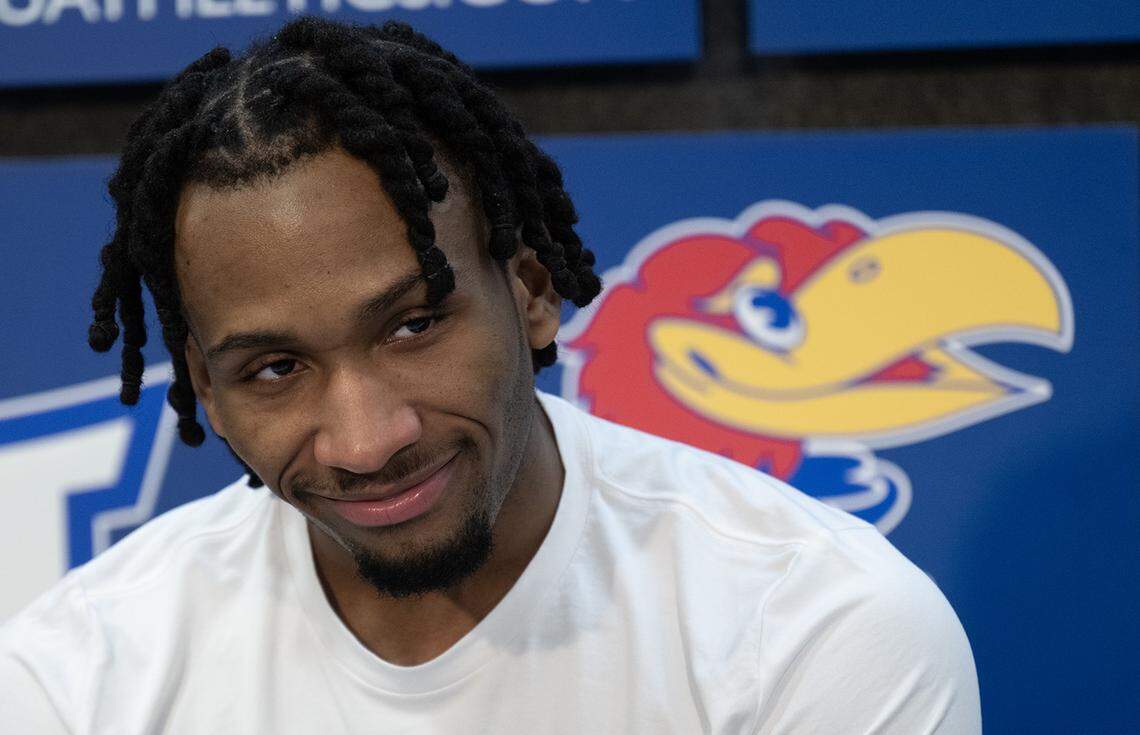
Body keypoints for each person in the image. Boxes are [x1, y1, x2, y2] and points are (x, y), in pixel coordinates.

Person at [0, 17, 981, 733]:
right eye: (275, 368)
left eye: (413, 324)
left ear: (532, 293)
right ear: (205, 394)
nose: (366, 439)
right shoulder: (80, 680)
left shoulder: (818, 632)